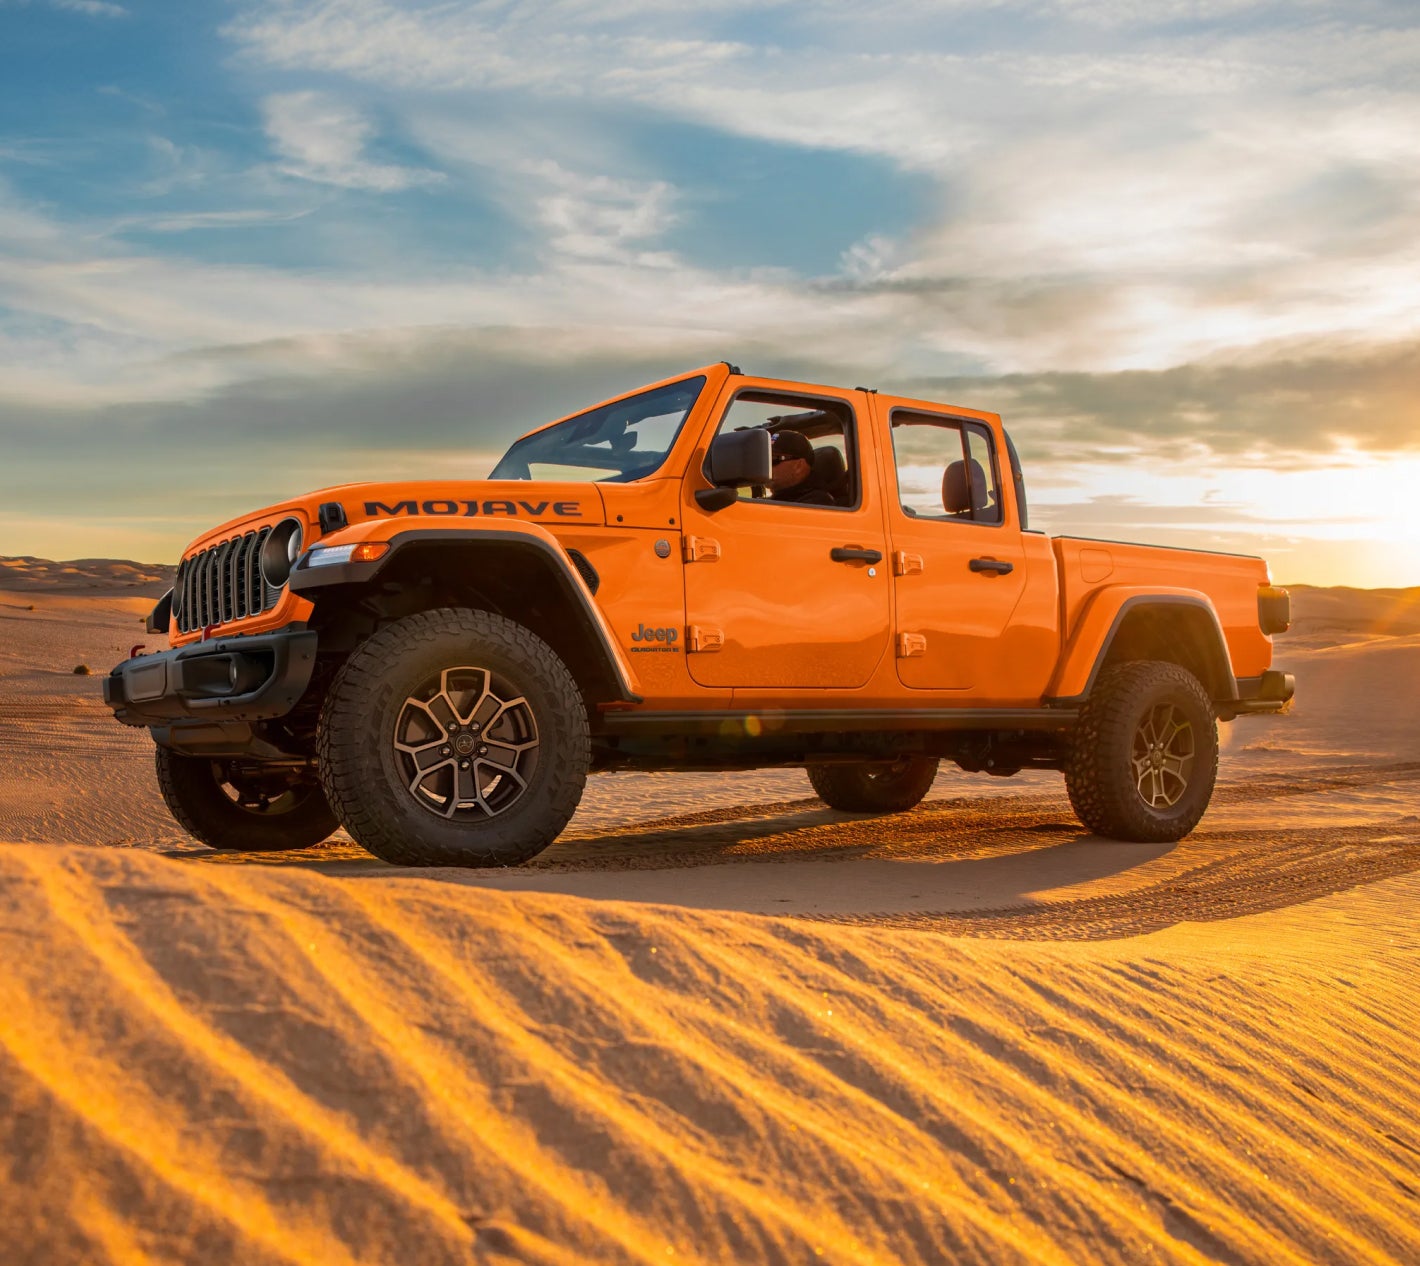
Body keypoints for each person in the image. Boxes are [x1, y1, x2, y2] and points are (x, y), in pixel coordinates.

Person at [769, 429, 830, 504]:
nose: (767, 466)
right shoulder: (781, 499)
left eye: (773, 459)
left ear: (799, 466)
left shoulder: (816, 503)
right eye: (765, 460)